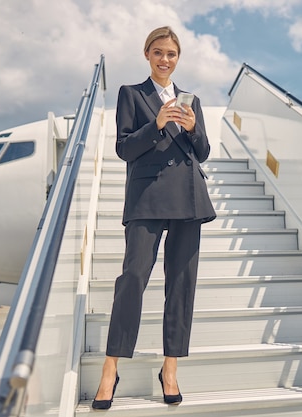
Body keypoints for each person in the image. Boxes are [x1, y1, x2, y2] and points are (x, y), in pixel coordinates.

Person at [92, 26, 216, 410]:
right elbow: (124, 148)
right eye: (159, 52)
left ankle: (171, 368)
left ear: (178, 59)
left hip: (188, 198)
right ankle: (110, 369)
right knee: (132, 278)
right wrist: (157, 123)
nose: (165, 60)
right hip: (146, 198)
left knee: (181, 285)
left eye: (172, 54)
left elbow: (204, 151)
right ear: (147, 54)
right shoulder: (132, 94)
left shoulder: (191, 99)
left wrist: (193, 129)